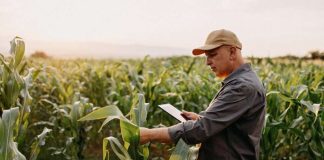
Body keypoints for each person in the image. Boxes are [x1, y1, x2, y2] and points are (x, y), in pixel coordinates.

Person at [140, 29, 266, 160]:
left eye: (212, 54)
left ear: (232, 52)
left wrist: (148, 135)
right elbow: (230, 126)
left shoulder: (242, 86)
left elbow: (201, 130)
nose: (207, 62)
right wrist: (200, 119)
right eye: (207, 56)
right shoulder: (241, 81)